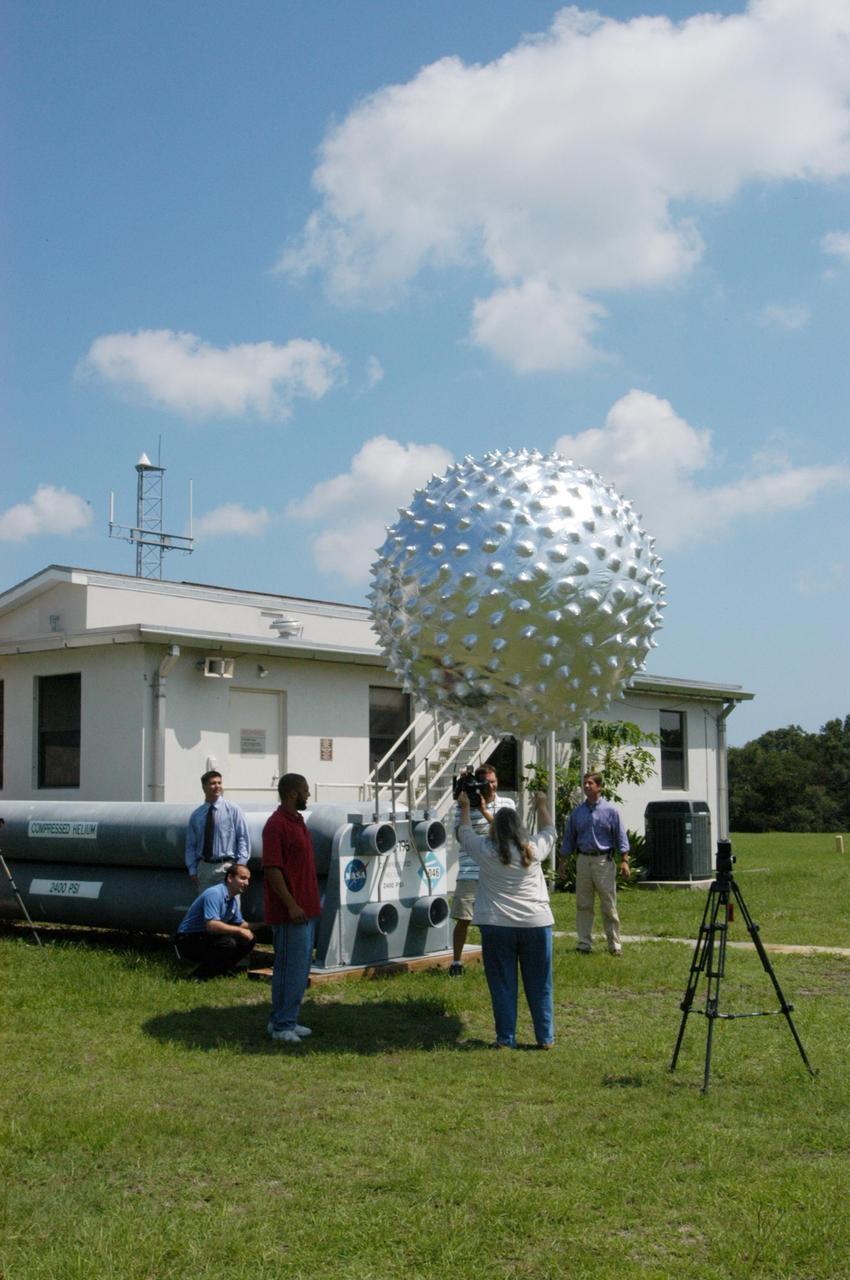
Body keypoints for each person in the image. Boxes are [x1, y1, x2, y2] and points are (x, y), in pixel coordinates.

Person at [457, 789, 557, 1048]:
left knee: (503, 984)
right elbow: (550, 831)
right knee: (540, 983)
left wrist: (465, 807)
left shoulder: (486, 850)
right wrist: (542, 804)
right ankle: (545, 1037)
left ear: (495, 829)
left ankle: (505, 1038)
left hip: (497, 924)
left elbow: (464, 833)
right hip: (536, 922)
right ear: (520, 827)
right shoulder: (532, 850)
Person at [262, 772, 322, 1045]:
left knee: (300, 968)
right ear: (291, 794)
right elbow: (273, 870)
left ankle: (287, 1019)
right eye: (305, 791)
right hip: (291, 913)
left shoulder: (298, 822)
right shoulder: (276, 826)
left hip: (306, 910)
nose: (308, 795)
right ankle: (281, 1024)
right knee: (288, 968)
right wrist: (291, 904)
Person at [449, 764, 515, 977]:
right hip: (469, 870)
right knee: (463, 918)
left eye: (494, 781)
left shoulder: (507, 804)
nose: (492, 786)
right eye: (487, 782)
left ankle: (494, 962)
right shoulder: (463, 806)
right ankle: (456, 962)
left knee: (495, 921)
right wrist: (467, 807)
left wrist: (485, 811)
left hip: (496, 871)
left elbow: (507, 834)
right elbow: (461, 836)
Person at [562, 772, 630, 956]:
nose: (586, 786)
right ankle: (584, 943)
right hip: (583, 859)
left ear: (599, 787)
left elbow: (621, 837)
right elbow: (569, 839)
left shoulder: (611, 811)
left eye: (590, 783)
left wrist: (624, 861)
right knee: (583, 903)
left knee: (608, 903)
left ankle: (614, 945)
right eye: (584, 783)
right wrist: (562, 863)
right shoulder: (577, 813)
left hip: (603, 861)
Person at [174, 862, 255, 980]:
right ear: (230, 878)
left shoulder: (232, 899)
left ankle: (220, 971)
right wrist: (240, 931)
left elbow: (241, 924)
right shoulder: (215, 893)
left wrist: (265, 924)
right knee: (227, 943)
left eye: (248, 879)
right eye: (242, 878)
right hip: (188, 939)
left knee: (249, 939)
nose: (246, 883)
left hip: (205, 936)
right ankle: (198, 977)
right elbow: (211, 925)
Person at [184, 770, 251, 893]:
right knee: (207, 908)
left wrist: (240, 866)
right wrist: (192, 869)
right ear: (204, 787)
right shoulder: (197, 815)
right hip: (205, 868)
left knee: (230, 908)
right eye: (213, 783)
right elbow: (190, 845)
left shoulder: (233, 810)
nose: (217, 786)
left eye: (219, 783)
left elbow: (243, 838)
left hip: (227, 867)